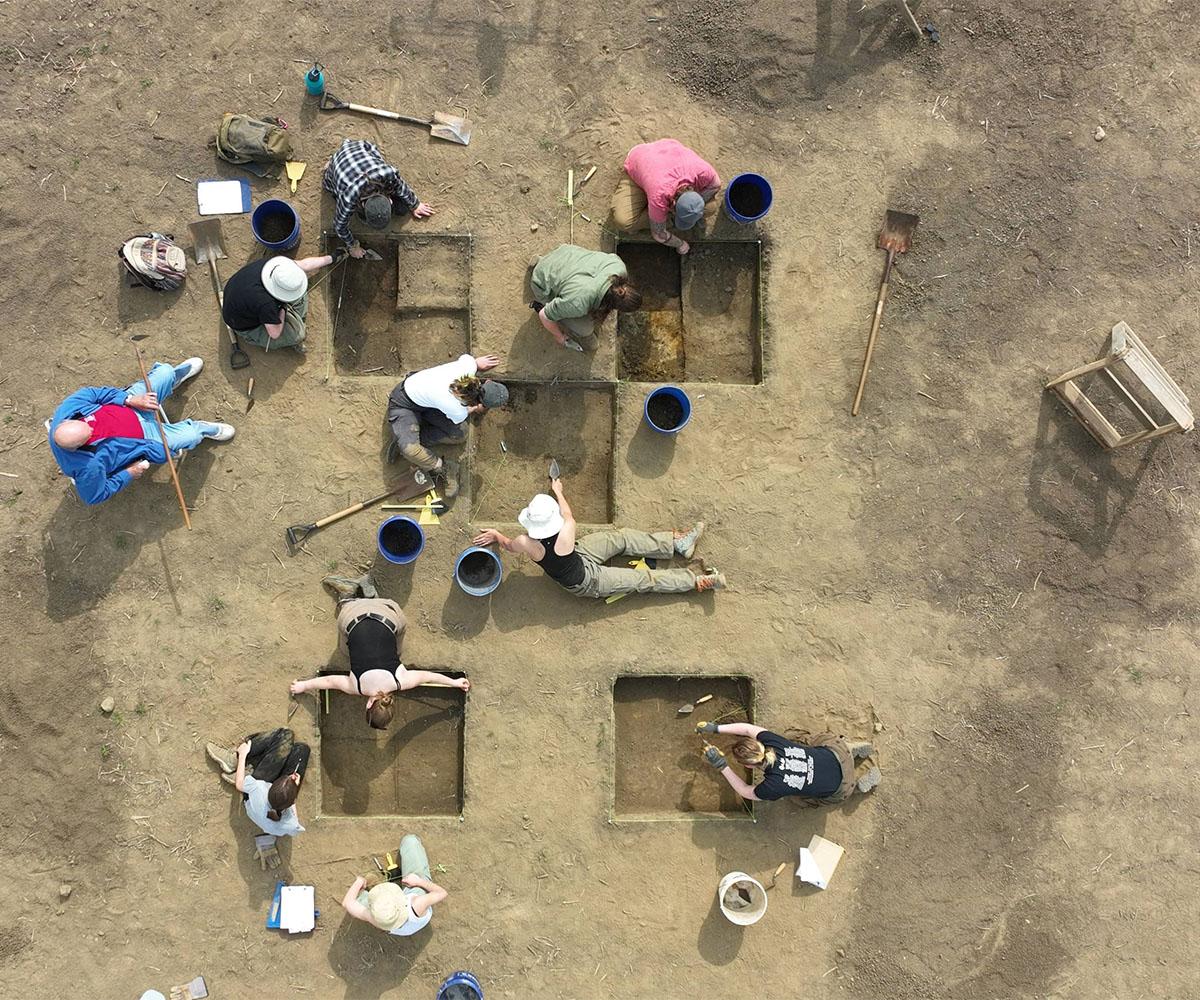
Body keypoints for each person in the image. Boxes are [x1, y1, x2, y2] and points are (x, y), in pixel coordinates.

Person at [472, 476, 724, 598]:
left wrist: (495, 534)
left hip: (579, 555)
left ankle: (676, 544)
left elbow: (507, 544)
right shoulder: (567, 527)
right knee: (643, 579)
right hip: (586, 581)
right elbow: (567, 512)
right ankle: (696, 581)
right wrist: (558, 491)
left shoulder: (525, 542)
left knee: (621, 539)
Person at [289, 573, 470, 729]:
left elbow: (428, 676)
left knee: (396, 649)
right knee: (345, 652)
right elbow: (329, 681)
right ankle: (348, 598)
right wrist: (302, 686)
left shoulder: (402, 680)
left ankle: (371, 596)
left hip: (388, 611)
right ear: (368, 704)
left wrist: (455, 683)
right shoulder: (356, 686)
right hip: (353, 615)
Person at [48, 358, 234, 506]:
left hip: (134, 406)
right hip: (146, 439)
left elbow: (95, 394)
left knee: (165, 372)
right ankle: (200, 429)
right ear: (80, 446)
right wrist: (129, 473)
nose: (92, 428)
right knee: (191, 436)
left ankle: (172, 380)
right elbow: (94, 497)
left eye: (87, 423)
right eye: (89, 434)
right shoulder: (87, 468)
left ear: (66, 421)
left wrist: (129, 399)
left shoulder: (68, 410)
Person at [386, 353, 507, 499]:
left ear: (487, 381)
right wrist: (475, 409)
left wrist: (477, 363)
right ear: (481, 403)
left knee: (461, 433)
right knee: (411, 450)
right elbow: (464, 410)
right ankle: (443, 467)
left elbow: (472, 362)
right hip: (404, 403)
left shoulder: (467, 366)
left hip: (428, 401)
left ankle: (410, 436)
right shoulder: (458, 410)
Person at [697, 722, 880, 803]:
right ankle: (851, 750)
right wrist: (716, 728)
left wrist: (722, 765)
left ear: (748, 765)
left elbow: (745, 791)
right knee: (815, 740)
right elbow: (747, 728)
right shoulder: (773, 741)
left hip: (841, 788)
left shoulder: (772, 787)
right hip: (837, 754)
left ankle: (857, 787)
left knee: (800, 801)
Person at [205, 727, 309, 868]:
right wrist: (294, 787)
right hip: (272, 805)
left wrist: (242, 755)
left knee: (286, 735)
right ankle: (248, 767)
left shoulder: (260, 789)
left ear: (273, 783)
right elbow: (292, 809)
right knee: (302, 750)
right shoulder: (291, 823)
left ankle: (236, 761)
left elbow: (240, 785)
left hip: (253, 795)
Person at [323, 138, 435, 258]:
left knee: (402, 209)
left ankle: (339, 158)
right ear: (362, 206)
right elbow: (339, 226)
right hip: (338, 171)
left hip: (358, 147)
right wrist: (353, 246)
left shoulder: (387, 173)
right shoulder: (348, 198)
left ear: (389, 199)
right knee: (333, 190)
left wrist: (415, 205)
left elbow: (400, 185)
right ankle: (331, 163)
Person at [611, 138, 721, 255]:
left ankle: (663, 215)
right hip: (639, 161)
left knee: (711, 208)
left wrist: (693, 204)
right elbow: (659, 234)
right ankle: (663, 216)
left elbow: (716, 185)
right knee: (624, 221)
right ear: (673, 203)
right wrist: (680, 244)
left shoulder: (703, 172)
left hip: (664, 154)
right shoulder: (660, 196)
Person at [529, 244, 642, 352]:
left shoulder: (619, 266)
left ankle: (543, 262)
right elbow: (544, 315)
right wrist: (559, 337)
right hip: (542, 283)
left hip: (565, 254)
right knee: (585, 328)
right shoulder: (578, 303)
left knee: (572, 290)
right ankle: (538, 268)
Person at [221, 253, 338, 353]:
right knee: (298, 335)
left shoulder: (275, 266)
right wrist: (282, 309)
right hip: (244, 325)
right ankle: (294, 329)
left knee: (300, 290)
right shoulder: (266, 304)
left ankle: (295, 320)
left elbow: (305, 265)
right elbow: (275, 333)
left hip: (237, 295)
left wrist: (332, 257)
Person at [342, 834, 446, 935]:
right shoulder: (417, 903)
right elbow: (441, 893)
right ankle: (413, 857)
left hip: (397, 929)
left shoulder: (375, 918)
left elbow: (347, 903)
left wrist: (358, 882)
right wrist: (418, 881)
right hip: (416, 911)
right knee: (410, 841)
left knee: (357, 897)